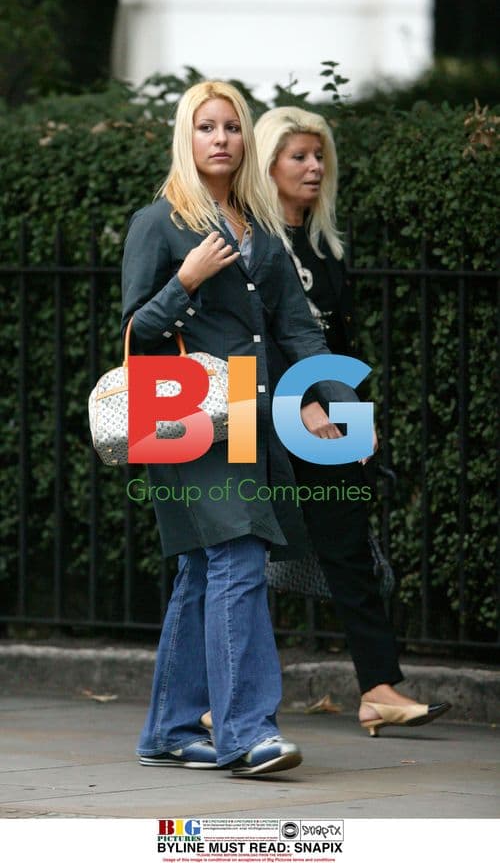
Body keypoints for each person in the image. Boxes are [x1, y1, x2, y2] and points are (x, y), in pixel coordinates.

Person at [121, 82, 359, 775]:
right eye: (206, 127)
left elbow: (295, 329)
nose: (221, 138)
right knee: (239, 559)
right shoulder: (158, 224)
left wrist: (334, 403)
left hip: (248, 420)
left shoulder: (262, 229)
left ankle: (169, 726)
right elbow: (137, 334)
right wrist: (186, 279)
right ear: (185, 138)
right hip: (183, 416)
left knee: (203, 568)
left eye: (232, 126)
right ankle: (247, 730)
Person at [253, 106, 452, 737]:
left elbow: (336, 340)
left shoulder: (323, 244)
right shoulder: (249, 241)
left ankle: (379, 689)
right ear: (270, 165)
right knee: (235, 558)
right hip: (257, 409)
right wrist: (297, 403)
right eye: (298, 157)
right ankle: (214, 696)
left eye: (319, 157)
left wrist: (355, 418)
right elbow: (247, 336)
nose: (313, 168)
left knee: (348, 548)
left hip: (328, 414)